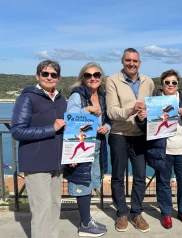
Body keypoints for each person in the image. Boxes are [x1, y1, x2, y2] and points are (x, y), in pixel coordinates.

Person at [11, 60, 67, 238]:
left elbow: (67, 128)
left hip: (57, 161)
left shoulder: (60, 99)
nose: (49, 77)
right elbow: (17, 130)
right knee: (41, 209)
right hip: (36, 161)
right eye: (45, 74)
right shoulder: (27, 98)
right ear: (38, 76)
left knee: (54, 205)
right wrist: (52, 128)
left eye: (53, 75)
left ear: (58, 78)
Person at [136, 69, 182, 229]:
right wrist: (141, 119)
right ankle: (166, 213)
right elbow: (146, 127)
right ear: (162, 84)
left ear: (177, 84)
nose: (170, 85)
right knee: (163, 183)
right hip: (163, 151)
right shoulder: (154, 101)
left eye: (174, 82)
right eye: (167, 82)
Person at [105, 48, 155, 233]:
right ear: (122, 61)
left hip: (140, 136)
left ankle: (136, 213)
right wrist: (131, 110)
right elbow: (111, 111)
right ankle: (121, 213)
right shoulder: (112, 81)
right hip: (119, 135)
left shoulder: (148, 82)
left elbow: (152, 108)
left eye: (135, 61)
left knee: (140, 177)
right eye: (128, 60)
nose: (131, 64)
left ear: (140, 63)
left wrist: (145, 115)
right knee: (118, 177)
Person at [64, 62, 110, 237]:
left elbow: (107, 119)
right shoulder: (77, 95)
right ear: (82, 78)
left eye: (96, 75)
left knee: (89, 181)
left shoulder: (103, 95)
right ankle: (84, 225)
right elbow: (70, 119)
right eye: (88, 75)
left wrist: (106, 127)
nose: (93, 78)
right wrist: (86, 109)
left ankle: (87, 218)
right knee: (82, 182)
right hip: (81, 144)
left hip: (97, 143)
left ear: (101, 77)